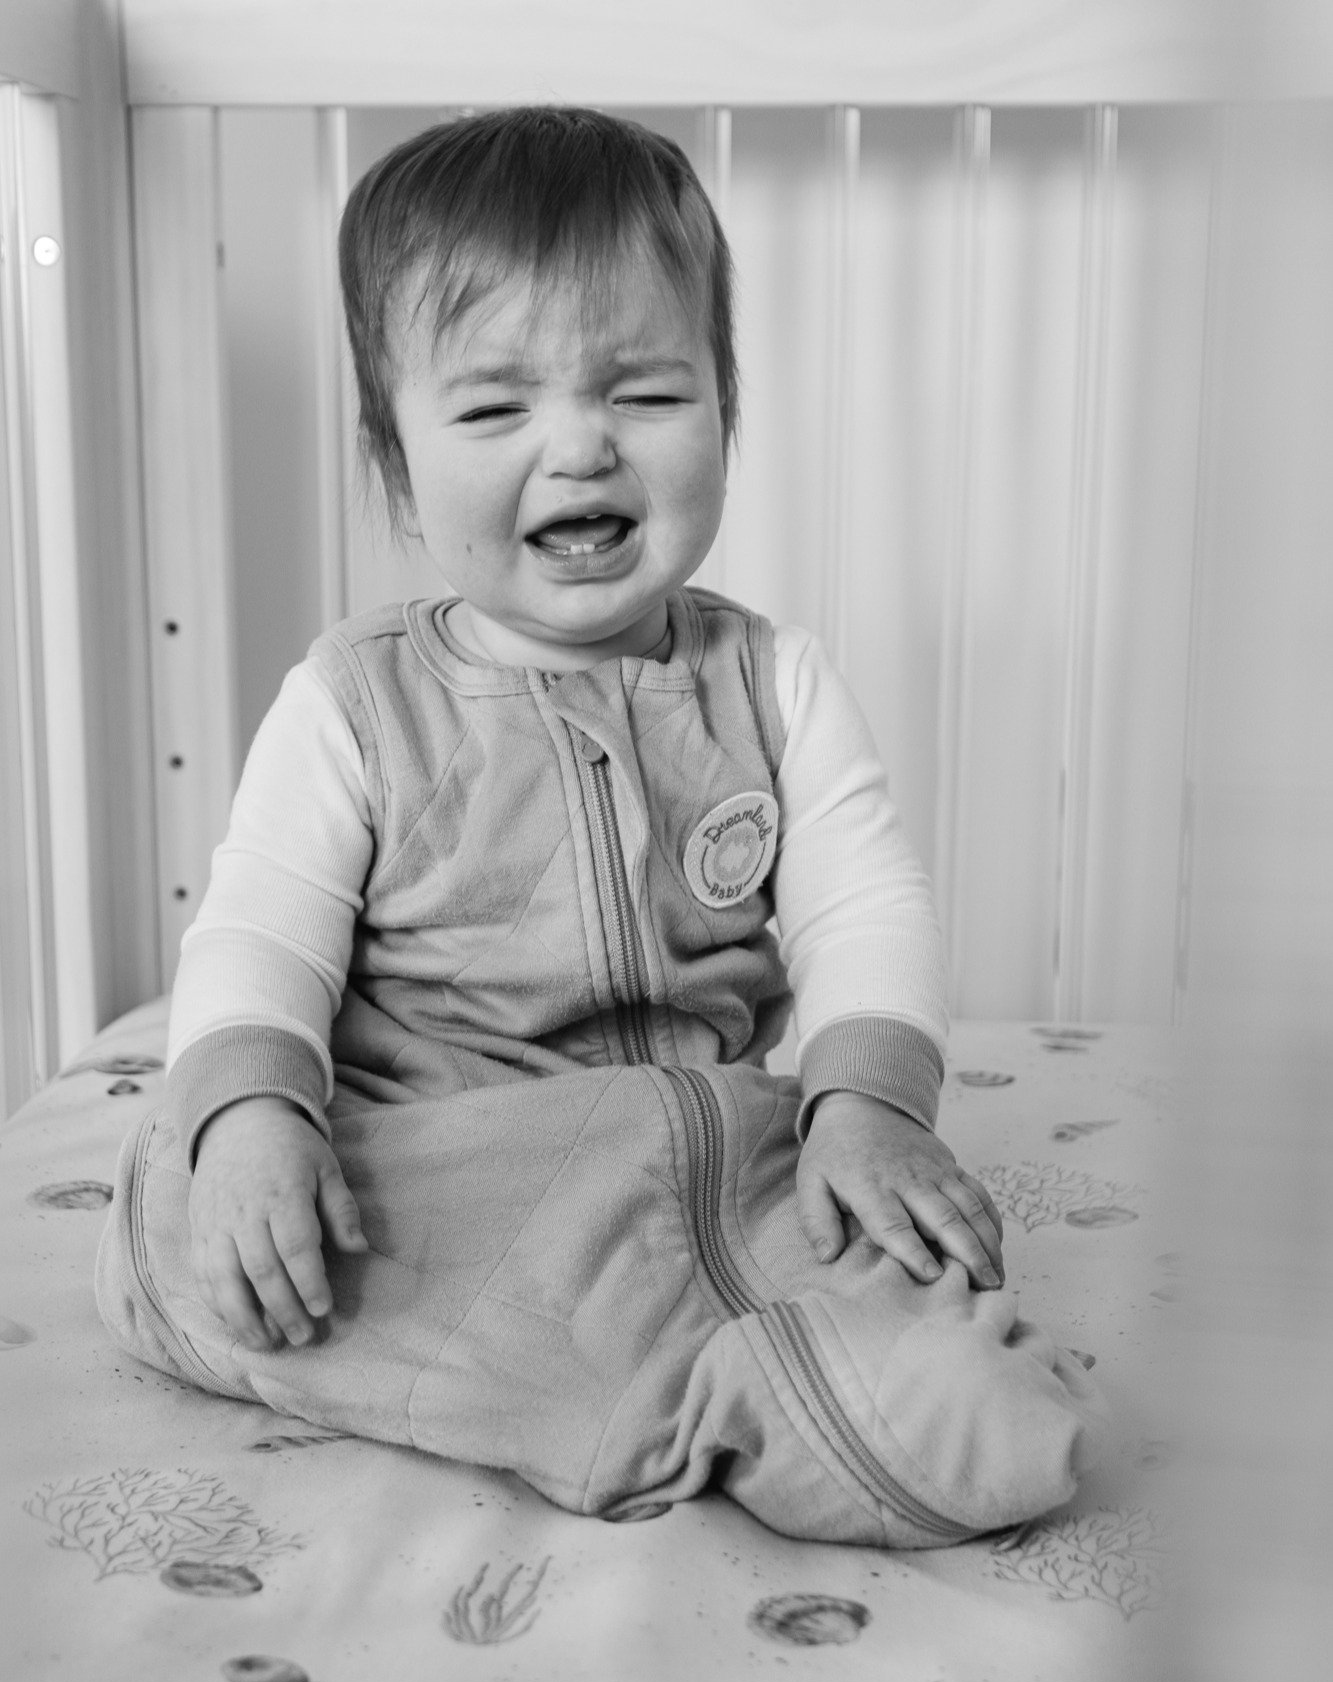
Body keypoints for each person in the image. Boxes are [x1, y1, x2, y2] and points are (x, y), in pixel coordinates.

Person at [99, 107, 1104, 1547]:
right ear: (395, 459)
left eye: (644, 392)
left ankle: (761, 1376)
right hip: (450, 1169)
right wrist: (253, 1115)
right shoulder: (352, 702)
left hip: (708, 1160)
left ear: (725, 415)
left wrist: (866, 1108)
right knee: (232, 1229)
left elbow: (863, 910)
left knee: (922, 1303)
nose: (579, 448)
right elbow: (262, 930)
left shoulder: (771, 685)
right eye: (492, 410)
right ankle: (699, 1391)